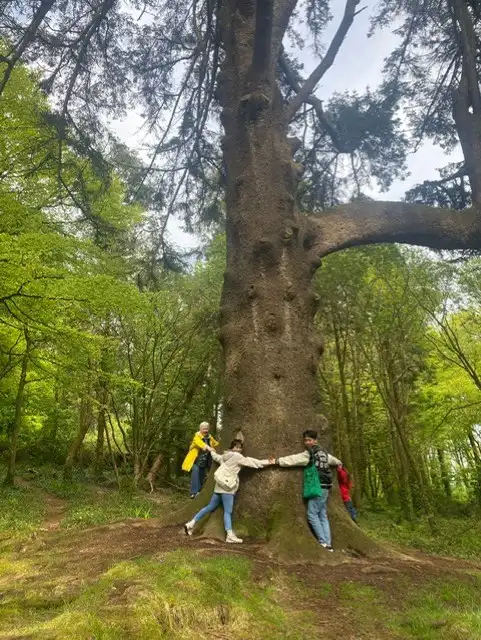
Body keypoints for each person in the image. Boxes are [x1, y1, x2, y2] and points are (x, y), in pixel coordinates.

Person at [184, 439, 274, 544]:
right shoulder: (238, 457)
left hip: (218, 486)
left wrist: (212, 451)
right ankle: (229, 535)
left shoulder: (225, 456)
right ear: (233, 447)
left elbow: (216, 457)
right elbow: (253, 462)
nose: (239, 449)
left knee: (209, 507)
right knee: (228, 512)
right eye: (237, 447)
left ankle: (190, 523)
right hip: (227, 488)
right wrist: (268, 462)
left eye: (240, 447)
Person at [275, 429, 341, 552]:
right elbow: (333, 460)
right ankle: (328, 543)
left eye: (309, 440)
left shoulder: (309, 454)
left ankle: (323, 542)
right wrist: (339, 463)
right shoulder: (324, 453)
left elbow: (294, 459)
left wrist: (278, 461)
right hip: (326, 486)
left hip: (317, 487)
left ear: (315, 440)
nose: (307, 442)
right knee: (322, 515)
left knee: (312, 514)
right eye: (305, 440)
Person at [182, 421, 219, 498]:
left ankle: (199, 492)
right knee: (196, 473)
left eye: (207, 429)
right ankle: (194, 493)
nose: (205, 430)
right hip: (195, 461)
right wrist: (209, 448)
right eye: (204, 429)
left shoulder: (209, 437)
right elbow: (201, 444)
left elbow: (215, 443)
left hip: (204, 461)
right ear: (200, 429)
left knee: (201, 476)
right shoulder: (197, 437)